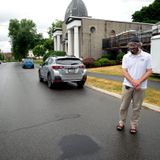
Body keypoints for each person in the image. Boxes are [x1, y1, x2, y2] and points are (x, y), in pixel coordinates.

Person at [116, 37, 152, 134]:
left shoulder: (147, 56)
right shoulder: (126, 57)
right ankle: (121, 122)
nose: (132, 48)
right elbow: (124, 71)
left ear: (139, 45)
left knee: (137, 107)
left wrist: (139, 81)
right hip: (127, 85)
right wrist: (133, 82)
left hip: (141, 86)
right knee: (123, 106)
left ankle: (133, 125)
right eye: (130, 46)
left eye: (134, 46)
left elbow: (149, 71)